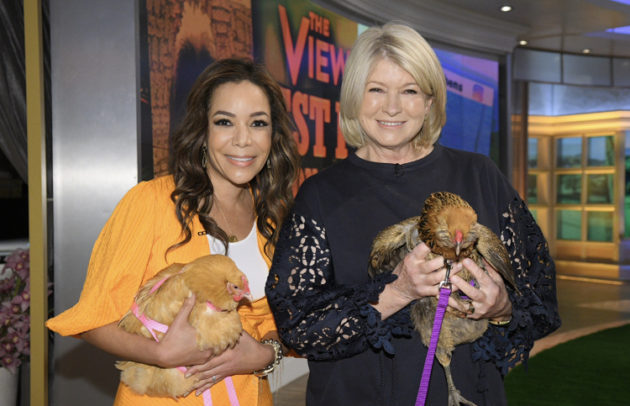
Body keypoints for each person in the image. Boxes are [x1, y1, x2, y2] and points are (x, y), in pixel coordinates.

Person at [266, 23, 561, 405]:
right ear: (355, 97)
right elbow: (298, 327)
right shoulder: (320, 196)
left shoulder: (479, 175)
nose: (392, 107)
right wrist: (398, 291)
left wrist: (502, 306)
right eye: (376, 90)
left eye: (409, 91)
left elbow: (541, 301)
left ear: (430, 101)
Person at [46, 58, 301, 406]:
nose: (243, 140)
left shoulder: (275, 216)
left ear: (273, 136)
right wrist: (161, 353)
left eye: (258, 123)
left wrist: (266, 354)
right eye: (224, 122)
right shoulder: (150, 203)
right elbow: (94, 318)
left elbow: (278, 319)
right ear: (202, 131)